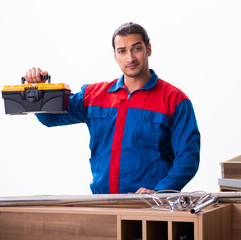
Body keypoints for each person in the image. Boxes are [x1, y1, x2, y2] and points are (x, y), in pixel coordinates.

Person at [24, 22, 200, 194]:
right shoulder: (94, 95)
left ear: (149, 49)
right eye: (122, 51)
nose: (130, 58)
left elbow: (188, 156)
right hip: (104, 204)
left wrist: (160, 192)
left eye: (136, 48)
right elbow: (50, 118)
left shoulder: (174, 100)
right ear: (115, 55)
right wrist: (40, 88)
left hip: (151, 208)